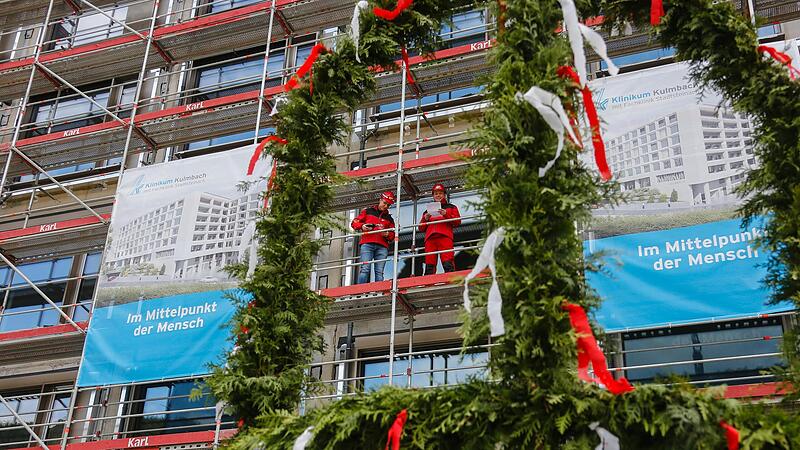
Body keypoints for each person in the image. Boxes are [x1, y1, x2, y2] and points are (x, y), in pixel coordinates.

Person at [351, 191, 396, 284]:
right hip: (367, 243)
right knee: (365, 269)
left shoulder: (389, 218)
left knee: (379, 272)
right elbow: (354, 222)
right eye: (385, 203)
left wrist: (387, 234)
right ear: (380, 200)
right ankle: (361, 290)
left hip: (382, 246)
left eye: (388, 205)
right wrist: (362, 226)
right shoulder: (368, 211)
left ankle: (378, 291)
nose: (386, 206)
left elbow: (393, 235)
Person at [418, 183, 461, 275]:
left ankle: (451, 280)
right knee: (429, 263)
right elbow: (421, 228)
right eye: (436, 193)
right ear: (433, 196)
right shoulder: (427, 211)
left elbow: (457, 222)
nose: (438, 195)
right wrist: (424, 219)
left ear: (444, 194)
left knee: (447, 261)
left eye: (440, 193)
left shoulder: (451, 207)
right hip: (430, 238)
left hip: (445, 236)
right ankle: (428, 284)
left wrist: (446, 214)